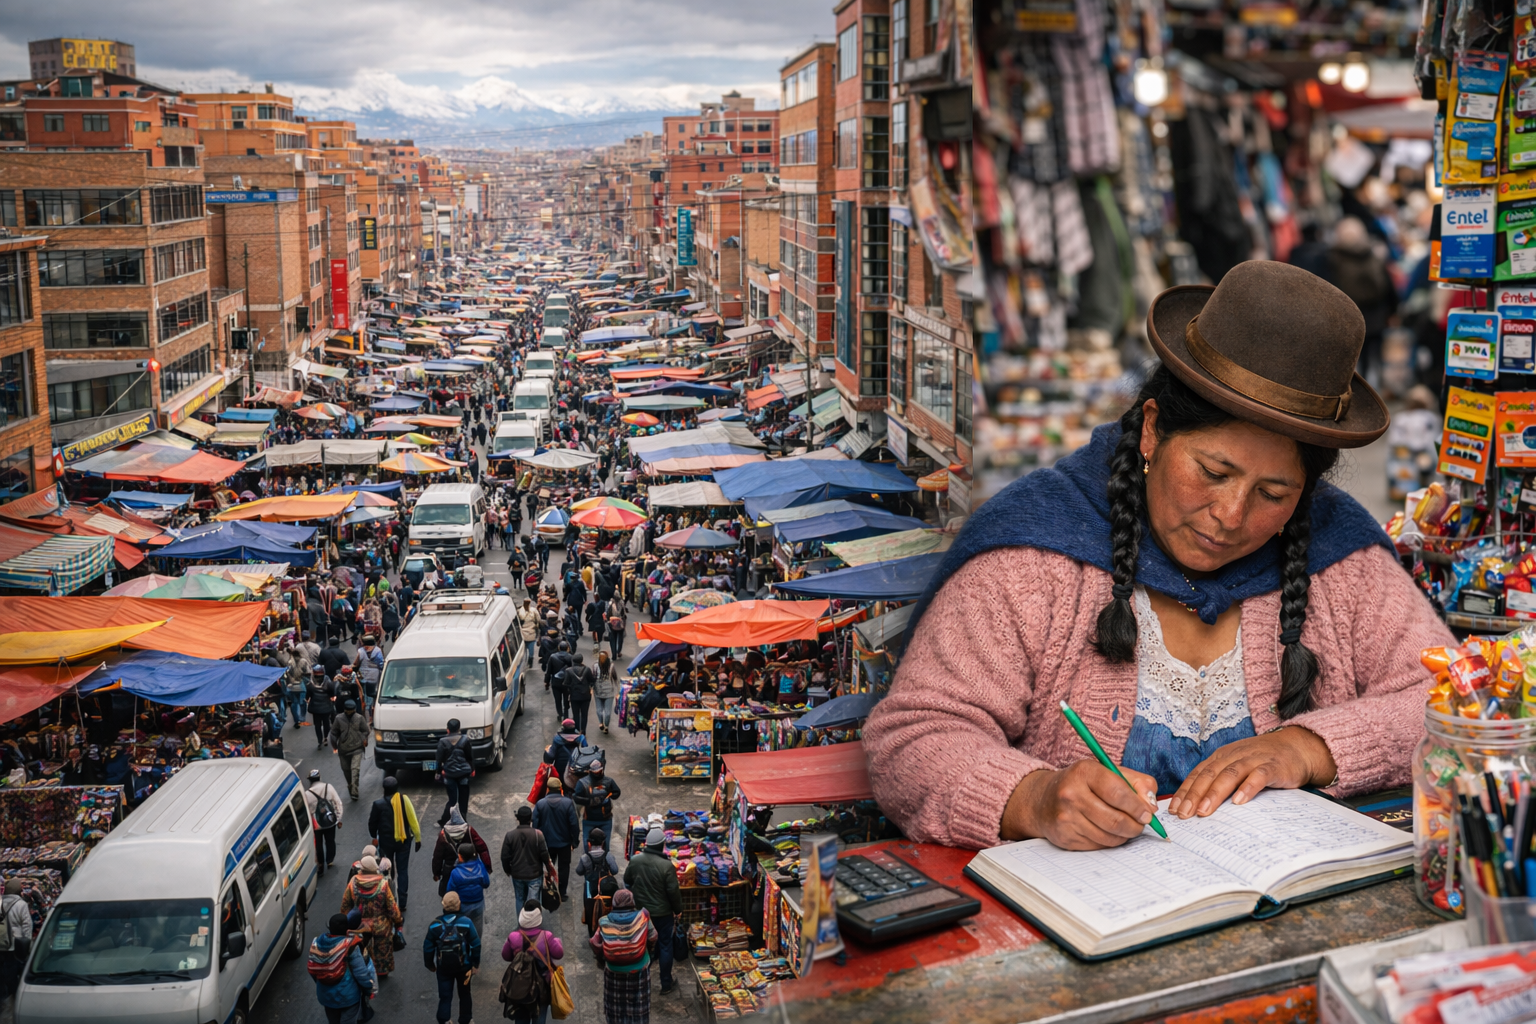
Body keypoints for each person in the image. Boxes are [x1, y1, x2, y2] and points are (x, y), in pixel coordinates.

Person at [863, 261, 1454, 853]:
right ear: (1152, 431)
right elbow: (913, 739)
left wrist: (1311, 748)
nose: (1230, 515)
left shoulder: (1341, 555)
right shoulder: (1033, 553)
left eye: (1274, 494)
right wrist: (1033, 798)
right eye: (1213, 472)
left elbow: (1457, 701)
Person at [623, 828, 681, 994]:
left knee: (643, 945)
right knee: (665, 946)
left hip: (642, 913)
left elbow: (627, 880)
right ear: (662, 845)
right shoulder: (666, 866)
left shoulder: (635, 860)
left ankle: (641, 981)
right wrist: (678, 910)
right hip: (663, 914)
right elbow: (673, 892)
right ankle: (666, 984)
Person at [590, 889, 659, 1024]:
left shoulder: (604, 921)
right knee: (639, 1010)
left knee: (616, 1010)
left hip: (614, 972)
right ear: (632, 902)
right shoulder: (643, 916)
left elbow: (594, 942)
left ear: (614, 904)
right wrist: (648, 951)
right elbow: (653, 937)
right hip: (639, 971)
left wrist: (602, 959)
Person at [500, 900, 565, 1024]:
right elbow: (559, 953)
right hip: (541, 986)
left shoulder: (513, 937)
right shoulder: (547, 936)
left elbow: (506, 956)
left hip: (520, 985)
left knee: (521, 1018)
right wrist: (557, 941)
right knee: (539, 1016)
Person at [340, 854, 404, 979]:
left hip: (359, 927)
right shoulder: (383, 884)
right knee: (382, 951)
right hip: (381, 927)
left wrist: (344, 923)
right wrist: (398, 922)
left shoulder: (353, 883)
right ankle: (381, 971)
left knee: (360, 951)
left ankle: (362, 970)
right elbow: (392, 907)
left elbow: (345, 906)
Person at [423, 891, 481, 1024]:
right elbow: (476, 944)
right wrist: (475, 964)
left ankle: (444, 1019)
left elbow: (428, 948)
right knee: (465, 994)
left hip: (443, 968)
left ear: (443, 905)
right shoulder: (466, 923)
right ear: (459, 904)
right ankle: (466, 1019)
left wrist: (430, 965)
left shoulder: (434, 925)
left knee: (445, 996)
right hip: (464, 967)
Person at [368, 776, 422, 913]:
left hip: (386, 843)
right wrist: (418, 838)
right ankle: (402, 902)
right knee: (403, 870)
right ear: (397, 788)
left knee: (387, 870)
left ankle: (389, 897)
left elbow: (372, 824)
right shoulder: (404, 800)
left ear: (384, 789)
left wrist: (374, 836)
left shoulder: (378, 804)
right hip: (404, 842)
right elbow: (413, 820)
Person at [311, 913, 377, 1024]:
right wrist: (368, 989)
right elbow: (361, 974)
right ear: (347, 930)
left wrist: (322, 983)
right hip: (348, 998)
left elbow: (312, 970)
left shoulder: (317, 944)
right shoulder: (350, 947)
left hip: (326, 997)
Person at [533, 776, 580, 901]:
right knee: (564, 867)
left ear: (548, 789)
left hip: (546, 844)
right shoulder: (568, 803)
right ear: (560, 788)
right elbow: (574, 824)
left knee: (548, 867)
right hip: (564, 843)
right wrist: (574, 842)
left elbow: (535, 825)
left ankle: (549, 890)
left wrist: (537, 843)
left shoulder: (540, 804)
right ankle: (562, 893)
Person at [501, 805, 554, 911]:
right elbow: (544, 855)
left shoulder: (510, 835)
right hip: (534, 874)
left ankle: (521, 920)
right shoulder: (538, 834)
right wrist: (549, 870)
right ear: (531, 819)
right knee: (533, 901)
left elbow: (504, 856)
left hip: (517, 874)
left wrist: (508, 870)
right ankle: (533, 920)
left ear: (518, 819)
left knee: (519, 899)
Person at [433, 808, 492, 897]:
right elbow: (482, 848)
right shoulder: (469, 830)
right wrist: (487, 866)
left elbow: (438, 856)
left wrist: (436, 873)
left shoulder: (443, 834)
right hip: (470, 864)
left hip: (450, 867)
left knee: (448, 891)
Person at [574, 828, 620, 937]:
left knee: (590, 911)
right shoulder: (608, 856)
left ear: (589, 843)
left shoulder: (585, 858)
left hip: (591, 890)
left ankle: (592, 933)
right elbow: (615, 870)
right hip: (605, 890)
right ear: (603, 843)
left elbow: (579, 871)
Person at [572, 760, 619, 854]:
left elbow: (617, 792)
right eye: (595, 771)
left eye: (599, 771)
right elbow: (576, 797)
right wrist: (590, 801)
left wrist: (608, 795)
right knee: (587, 848)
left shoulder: (608, 781)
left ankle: (605, 862)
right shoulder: (583, 782)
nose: (597, 773)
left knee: (606, 848)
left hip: (605, 819)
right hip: (589, 820)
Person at [304, 768, 345, 874]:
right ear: (319, 778)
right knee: (330, 840)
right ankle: (330, 860)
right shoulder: (328, 787)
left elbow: (307, 811)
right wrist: (338, 819)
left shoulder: (307, 794)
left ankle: (321, 863)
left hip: (316, 823)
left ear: (310, 780)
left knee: (318, 843)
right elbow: (338, 803)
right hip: (329, 819)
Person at [446, 842, 492, 936]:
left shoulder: (455, 873)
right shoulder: (480, 867)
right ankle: (476, 942)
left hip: (463, 905)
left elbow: (450, 891)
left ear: (461, 857)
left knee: (462, 927)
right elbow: (486, 883)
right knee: (477, 927)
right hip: (478, 903)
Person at [0, 878, 33, 1007]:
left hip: (2, 943)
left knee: (4, 972)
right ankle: (16, 996)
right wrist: (28, 944)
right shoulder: (21, 904)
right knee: (15, 971)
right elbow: (26, 925)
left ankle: (5, 996)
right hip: (16, 945)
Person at [436, 718, 476, 824]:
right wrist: (472, 769)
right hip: (464, 773)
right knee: (463, 799)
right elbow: (469, 756)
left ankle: (444, 820)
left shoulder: (442, 741)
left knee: (452, 800)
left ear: (447, 730)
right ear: (459, 729)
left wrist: (439, 771)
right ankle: (463, 820)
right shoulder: (465, 739)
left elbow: (439, 759)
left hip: (449, 774)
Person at [331, 699, 369, 801]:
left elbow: (366, 731)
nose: (350, 712)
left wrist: (363, 739)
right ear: (345, 710)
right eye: (348, 710)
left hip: (357, 748)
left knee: (355, 769)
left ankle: (354, 791)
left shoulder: (359, 718)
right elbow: (334, 732)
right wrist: (334, 744)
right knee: (346, 770)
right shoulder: (339, 719)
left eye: (352, 710)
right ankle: (350, 786)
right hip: (343, 750)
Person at [564, 653, 595, 734]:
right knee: (584, 714)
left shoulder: (569, 670)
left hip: (574, 696)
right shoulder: (587, 669)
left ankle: (577, 730)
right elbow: (592, 680)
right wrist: (590, 688)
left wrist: (570, 691)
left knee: (576, 714)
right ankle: (583, 730)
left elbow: (566, 684)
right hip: (586, 695)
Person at [354, 636, 385, 713]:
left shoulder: (360, 651)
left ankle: (363, 710)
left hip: (363, 676)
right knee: (372, 694)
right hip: (373, 677)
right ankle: (371, 711)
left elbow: (355, 663)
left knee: (363, 693)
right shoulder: (377, 651)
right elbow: (381, 664)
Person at [307, 665, 336, 746]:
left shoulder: (310, 684)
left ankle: (319, 741)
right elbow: (332, 693)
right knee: (326, 723)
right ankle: (325, 737)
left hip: (315, 708)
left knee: (317, 725)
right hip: (326, 707)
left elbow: (308, 696)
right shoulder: (328, 683)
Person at [594, 652, 619, 734]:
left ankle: (606, 726)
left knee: (607, 712)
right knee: (599, 710)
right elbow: (593, 678)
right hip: (598, 691)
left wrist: (618, 691)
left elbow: (615, 679)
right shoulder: (595, 666)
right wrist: (591, 688)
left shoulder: (611, 667)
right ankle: (601, 722)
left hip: (609, 692)